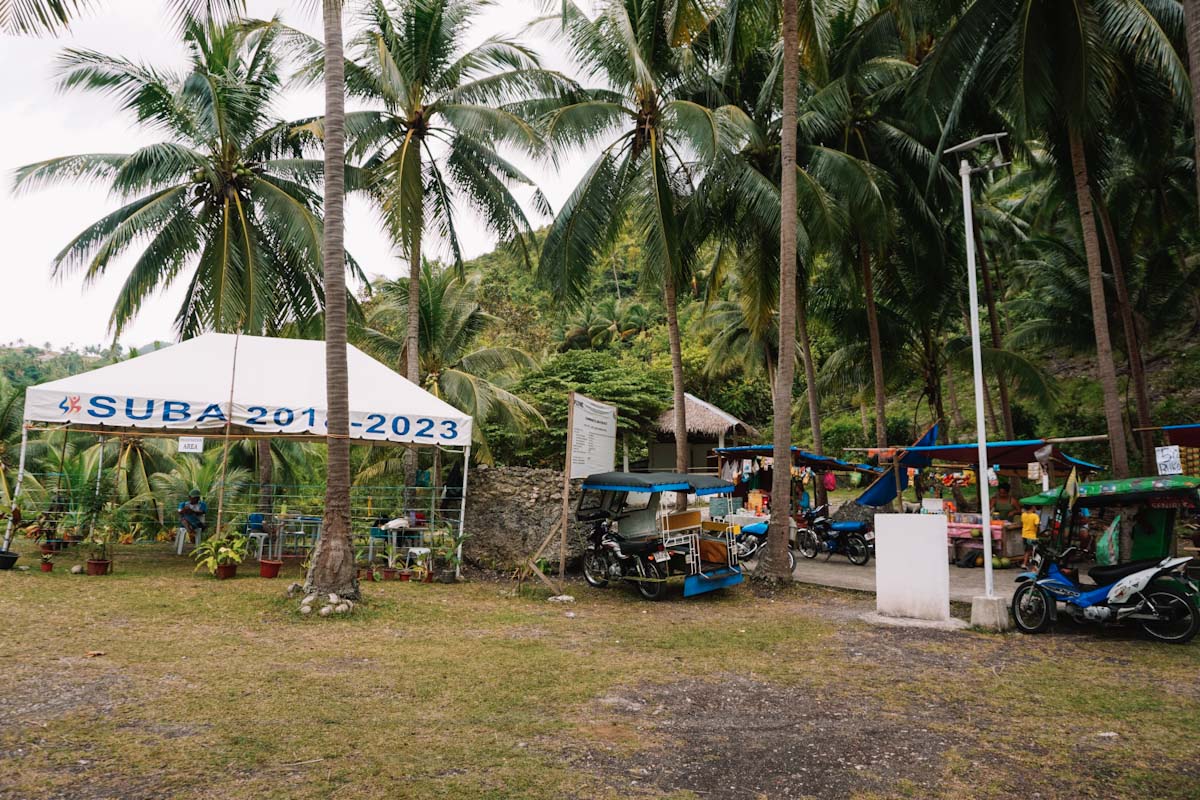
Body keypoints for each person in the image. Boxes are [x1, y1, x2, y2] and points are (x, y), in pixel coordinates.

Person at [1020, 504, 1040, 568]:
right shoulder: (1035, 516)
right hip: (1032, 536)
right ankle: (1028, 564)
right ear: (1032, 507)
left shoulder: (1023, 515)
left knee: (1027, 550)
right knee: (1033, 550)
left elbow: (1022, 522)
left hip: (1024, 535)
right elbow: (1037, 524)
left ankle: (1026, 563)